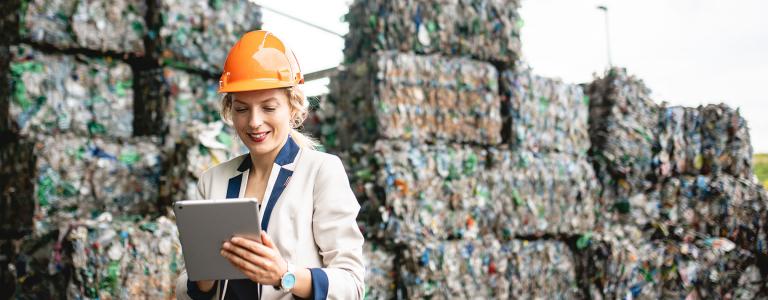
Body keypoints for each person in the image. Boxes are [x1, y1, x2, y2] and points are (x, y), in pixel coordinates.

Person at [175, 30, 365, 300]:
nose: (254, 122)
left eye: (269, 107)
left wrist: (284, 274)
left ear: (293, 107)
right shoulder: (213, 180)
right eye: (242, 109)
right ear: (230, 110)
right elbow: (185, 287)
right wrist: (203, 278)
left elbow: (352, 285)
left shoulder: (321, 172)